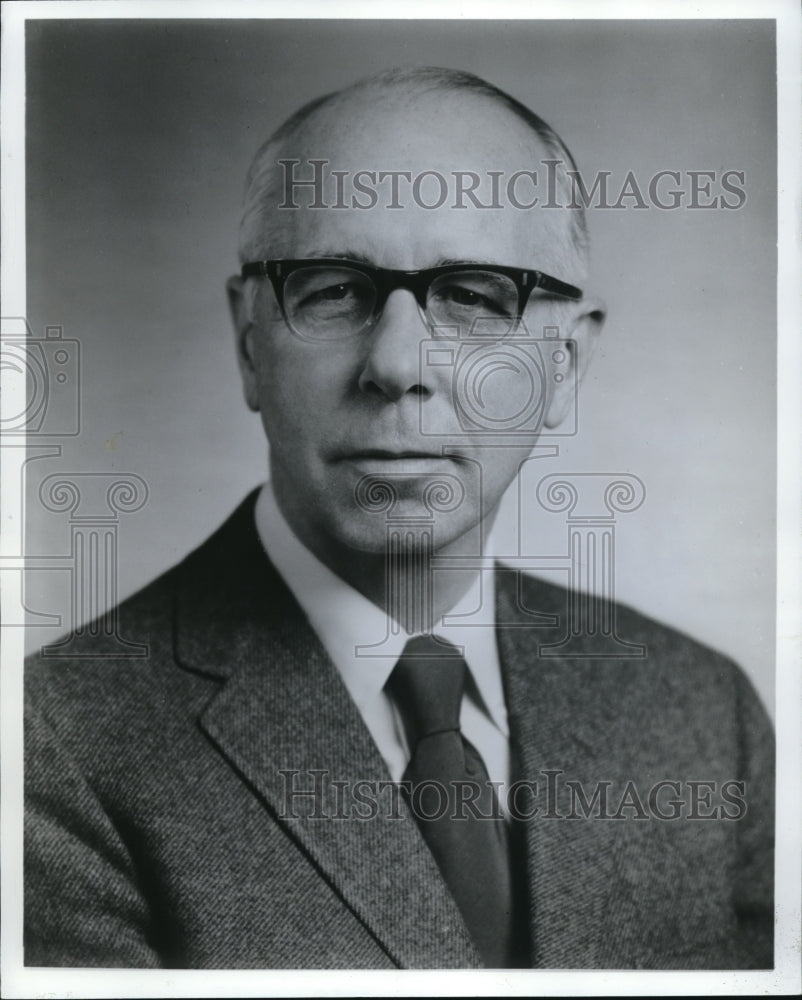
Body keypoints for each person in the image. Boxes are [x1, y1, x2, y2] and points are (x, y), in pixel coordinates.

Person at [24, 67, 774, 970]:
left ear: (566, 366)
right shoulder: (49, 746)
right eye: (333, 288)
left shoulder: (702, 715)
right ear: (249, 344)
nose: (397, 362)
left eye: (474, 294)